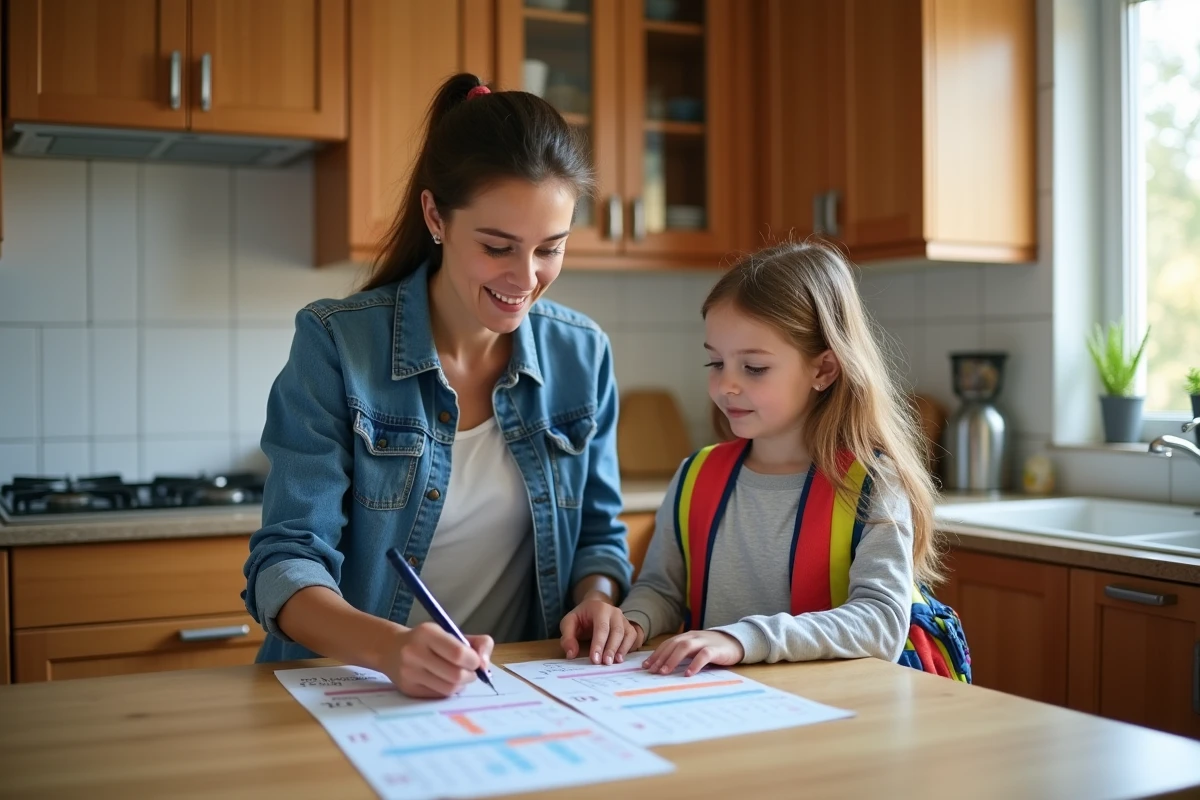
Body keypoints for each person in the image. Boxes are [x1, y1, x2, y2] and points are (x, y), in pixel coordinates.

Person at [243, 73, 634, 698]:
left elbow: (599, 536)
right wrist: (389, 649)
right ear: (436, 216)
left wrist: (597, 598)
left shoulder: (582, 353)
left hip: (507, 697)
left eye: (550, 249)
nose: (526, 277)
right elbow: (285, 563)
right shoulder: (337, 344)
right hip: (348, 689)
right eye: (498, 246)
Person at [563, 241, 968, 681]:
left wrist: (741, 639)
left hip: (839, 715)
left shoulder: (871, 484)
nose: (727, 386)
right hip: (726, 710)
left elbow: (880, 624)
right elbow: (662, 588)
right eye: (715, 362)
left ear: (823, 370)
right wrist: (633, 620)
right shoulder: (696, 476)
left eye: (754, 368)